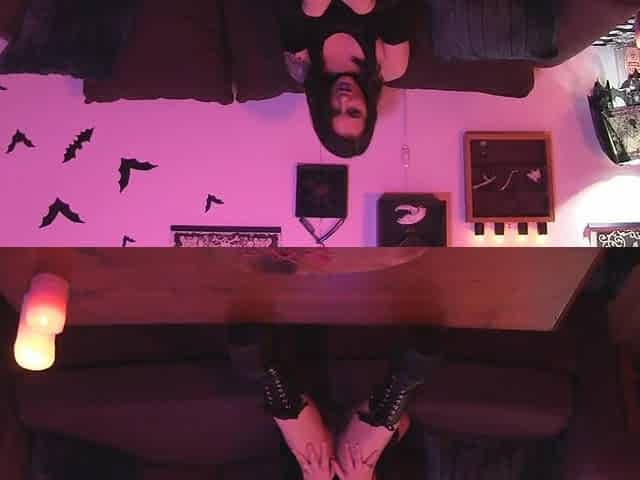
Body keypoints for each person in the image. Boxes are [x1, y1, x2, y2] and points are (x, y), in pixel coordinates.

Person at [261, 348, 436, 480]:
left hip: (311, 435)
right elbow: (405, 423)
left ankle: (270, 375)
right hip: (369, 436)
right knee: (354, 467)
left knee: (316, 460)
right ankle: (400, 384)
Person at [277, 0, 415, 158]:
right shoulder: (391, 67)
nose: (343, 100)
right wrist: (368, 6)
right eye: (353, 111)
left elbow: (284, 10)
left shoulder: (303, 69)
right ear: (369, 111)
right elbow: (400, 7)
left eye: (334, 110)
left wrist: (310, 9)